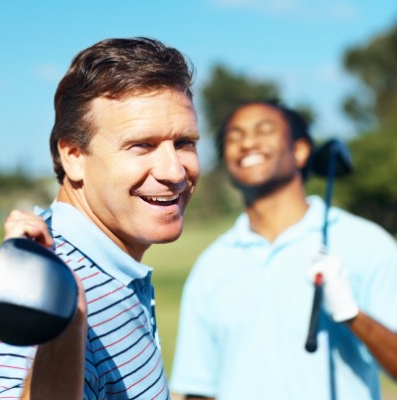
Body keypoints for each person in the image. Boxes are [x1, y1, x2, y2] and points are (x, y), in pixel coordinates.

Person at [0, 37, 200, 399]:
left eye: (184, 143)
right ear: (73, 156)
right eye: (141, 145)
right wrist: (63, 330)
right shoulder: (39, 290)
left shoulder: (108, 270)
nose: (174, 171)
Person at [169, 100, 397, 400]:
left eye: (264, 131)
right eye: (234, 137)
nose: (247, 142)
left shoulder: (365, 242)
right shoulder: (212, 264)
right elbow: (200, 389)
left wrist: (351, 314)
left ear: (301, 151)